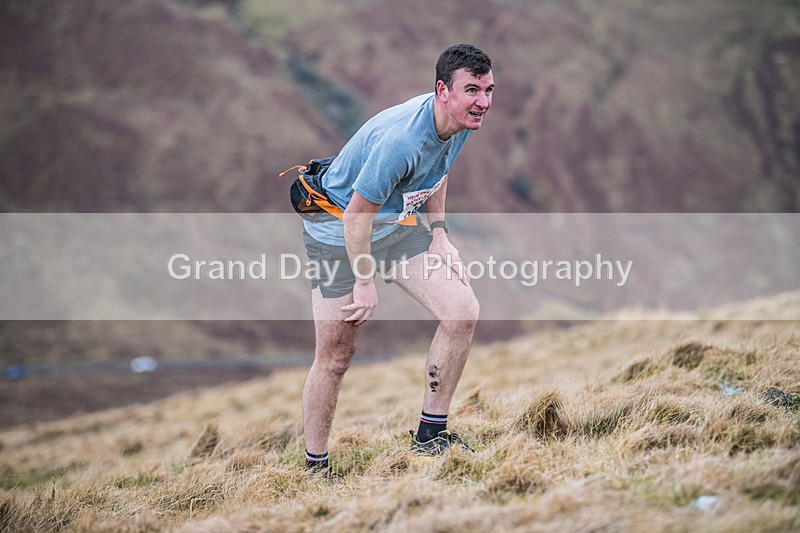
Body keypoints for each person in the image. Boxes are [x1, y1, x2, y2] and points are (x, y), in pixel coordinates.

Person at [300, 44, 494, 474]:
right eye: (472, 90)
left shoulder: (460, 121)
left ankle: (431, 436)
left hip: (394, 224)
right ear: (443, 90)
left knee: (461, 311)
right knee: (335, 357)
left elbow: (438, 171)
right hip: (340, 232)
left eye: (488, 89)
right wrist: (364, 282)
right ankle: (316, 466)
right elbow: (355, 217)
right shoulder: (402, 141)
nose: (483, 101)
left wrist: (440, 236)